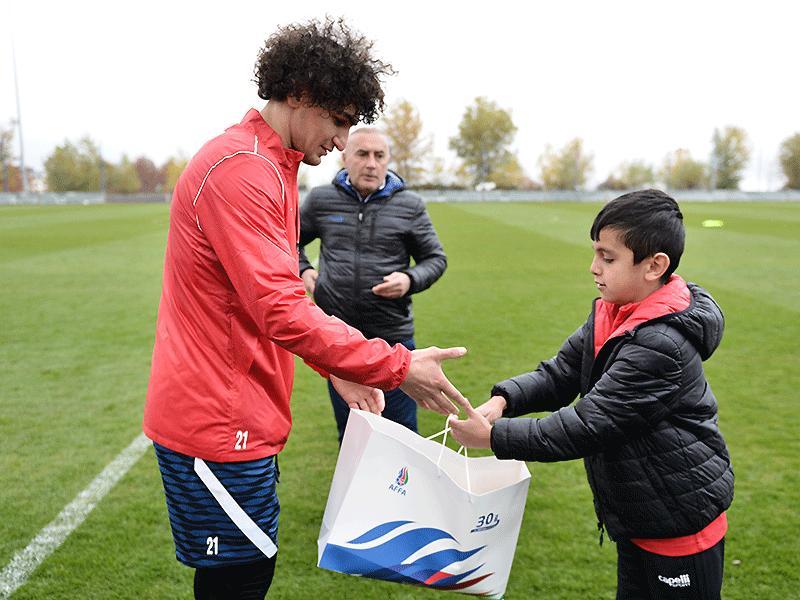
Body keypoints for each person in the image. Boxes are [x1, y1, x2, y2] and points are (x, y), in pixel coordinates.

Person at [143, 18, 468, 600]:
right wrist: (397, 366)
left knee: (243, 572)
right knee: (240, 578)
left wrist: (337, 368)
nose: (342, 141)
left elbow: (269, 302)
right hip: (217, 418)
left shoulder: (268, 165)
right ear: (299, 94)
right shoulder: (242, 170)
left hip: (239, 410)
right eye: (338, 121)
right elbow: (280, 307)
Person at [449, 189, 734, 599]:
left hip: (678, 522)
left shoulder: (661, 344)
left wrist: (494, 438)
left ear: (654, 266)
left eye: (608, 257)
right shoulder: (613, 311)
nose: (593, 267)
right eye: (595, 252)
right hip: (640, 514)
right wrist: (503, 400)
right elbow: (562, 373)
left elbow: (587, 425)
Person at [299, 128, 447, 443]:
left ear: (388, 160)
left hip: (393, 337)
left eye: (379, 156)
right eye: (362, 154)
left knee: (402, 437)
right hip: (339, 339)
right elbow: (289, 241)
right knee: (354, 435)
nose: (371, 163)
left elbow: (435, 259)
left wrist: (409, 279)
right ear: (345, 158)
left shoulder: (409, 205)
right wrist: (303, 269)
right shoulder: (321, 200)